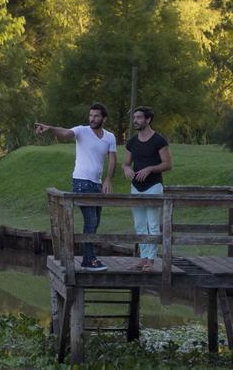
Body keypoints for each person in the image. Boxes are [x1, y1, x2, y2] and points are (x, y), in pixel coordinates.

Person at [34, 103, 116, 271]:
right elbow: (65, 133)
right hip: (81, 183)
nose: (92, 119)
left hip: (97, 184)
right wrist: (50, 129)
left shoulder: (110, 137)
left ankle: (89, 256)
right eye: (91, 115)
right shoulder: (82, 131)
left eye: (96, 116)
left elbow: (113, 159)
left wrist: (108, 179)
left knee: (95, 221)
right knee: (91, 220)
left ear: (104, 118)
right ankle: (89, 260)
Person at [122, 106, 172, 270]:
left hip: (153, 186)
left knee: (152, 224)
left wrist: (150, 168)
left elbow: (167, 164)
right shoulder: (132, 142)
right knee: (140, 224)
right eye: (134, 117)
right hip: (136, 187)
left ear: (148, 119)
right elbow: (126, 163)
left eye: (139, 117)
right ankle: (144, 258)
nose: (135, 120)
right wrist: (127, 169)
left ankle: (151, 260)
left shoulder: (159, 140)